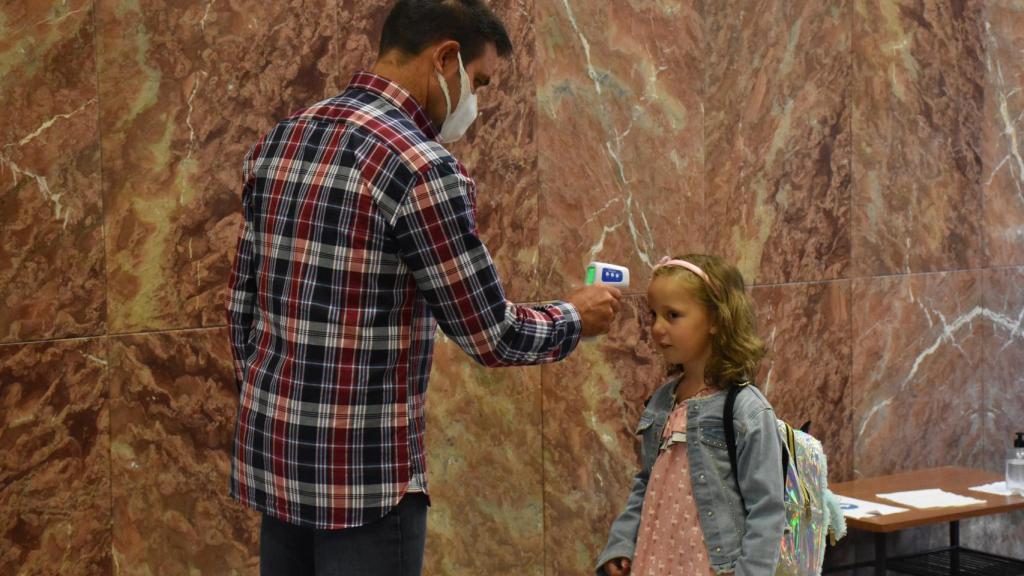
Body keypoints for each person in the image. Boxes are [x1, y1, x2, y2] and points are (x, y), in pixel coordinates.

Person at [225, 1, 621, 574]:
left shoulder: (282, 141)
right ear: (446, 57)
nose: (474, 102)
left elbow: (242, 313)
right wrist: (574, 319)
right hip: (365, 487)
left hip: (276, 467)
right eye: (478, 82)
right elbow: (492, 333)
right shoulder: (421, 167)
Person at [595, 254, 785, 576]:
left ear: (716, 319)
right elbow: (646, 481)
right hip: (655, 559)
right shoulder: (662, 401)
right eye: (653, 315)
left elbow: (767, 510)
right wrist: (622, 542)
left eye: (673, 315)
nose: (657, 328)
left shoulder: (745, 409)